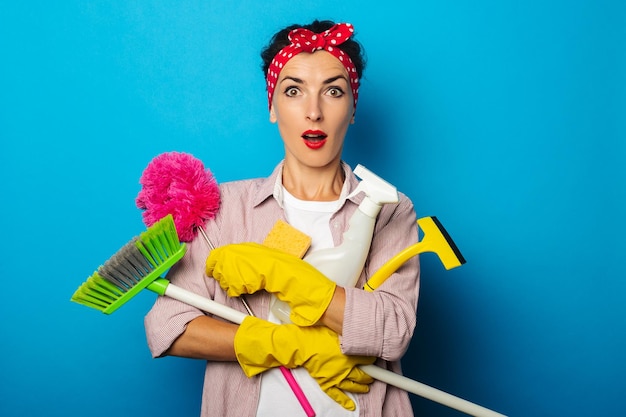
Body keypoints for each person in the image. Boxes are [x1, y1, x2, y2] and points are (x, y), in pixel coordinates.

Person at [144, 19, 420, 416]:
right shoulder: (223, 209)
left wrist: (293, 280)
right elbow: (167, 328)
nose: (314, 112)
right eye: (294, 91)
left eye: (334, 91)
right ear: (272, 106)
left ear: (353, 109)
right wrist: (283, 344)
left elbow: (393, 333)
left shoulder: (390, 210)